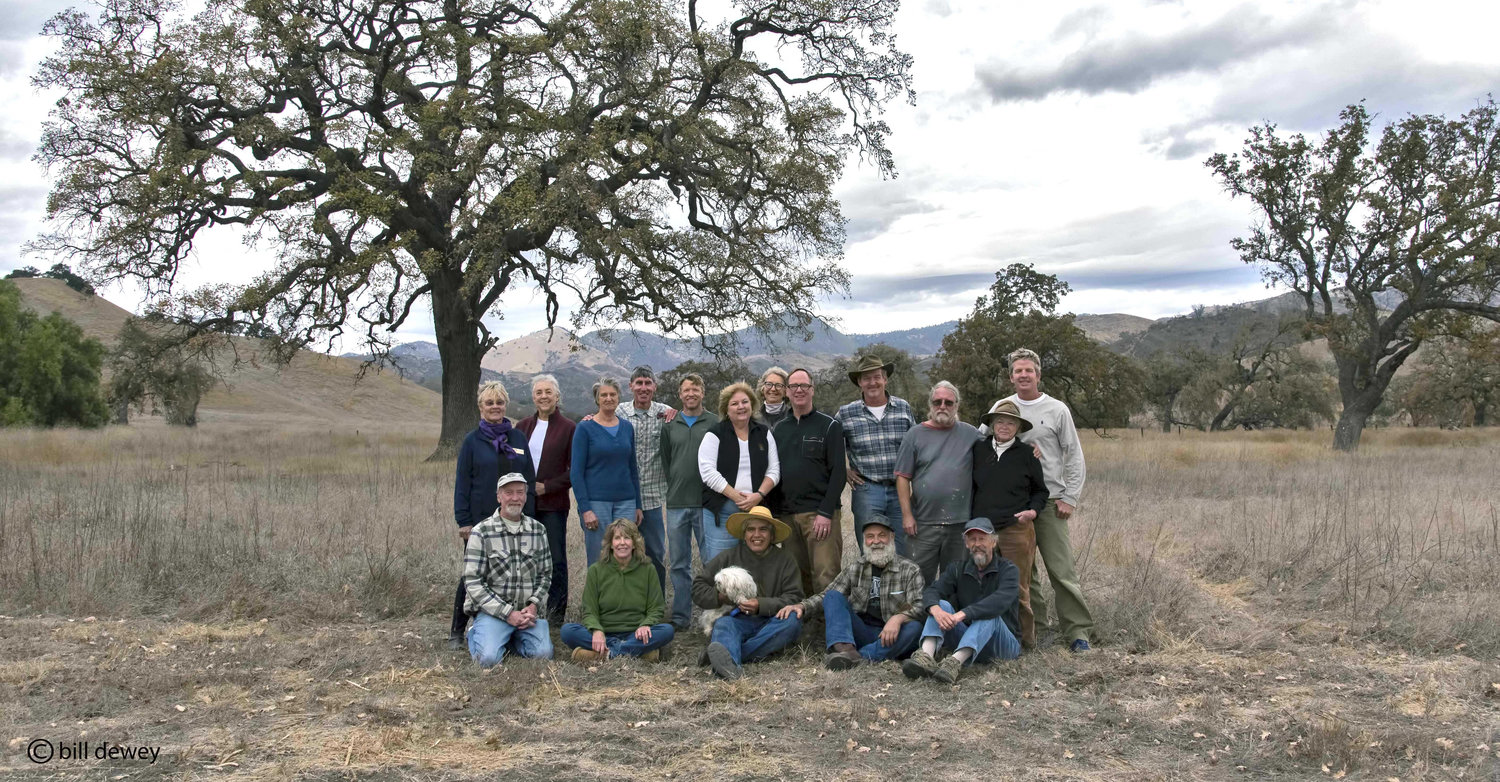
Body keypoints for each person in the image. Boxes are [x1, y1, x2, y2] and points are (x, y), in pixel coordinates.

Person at [1001, 347, 1095, 652]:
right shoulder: (1003, 407)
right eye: (1018, 371)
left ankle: (1078, 632)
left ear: (1038, 375)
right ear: (1011, 376)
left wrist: (1070, 496)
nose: (1024, 375)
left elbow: (1074, 454)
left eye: (1029, 370)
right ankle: (1036, 631)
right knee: (1025, 573)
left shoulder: (1057, 409)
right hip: (1015, 504)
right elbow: (985, 441)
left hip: (1051, 501)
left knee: (1061, 570)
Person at [451, 381, 537, 649]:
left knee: (514, 570)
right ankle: (458, 629)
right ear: (481, 407)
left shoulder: (518, 439)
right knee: (474, 573)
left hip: (515, 517)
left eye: (499, 402)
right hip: (479, 519)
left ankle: (510, 625)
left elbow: (529, 479)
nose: (495, 407)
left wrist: (530, 515)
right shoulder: (472, 441)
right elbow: (462, 483)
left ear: (505, 405)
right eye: (490, 403)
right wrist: (463, 521)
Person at [777, 514, 924, 669]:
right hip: (861, 631)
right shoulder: (856, 567)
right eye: (870, 537)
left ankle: (859, 657)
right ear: (864, 541)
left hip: (892, 635)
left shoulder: (910, 569)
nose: (876, 541)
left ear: (892, 537)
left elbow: (919, 607)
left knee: (914, 628)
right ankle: (845, 649)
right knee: (833, 596)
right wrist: (802, 606)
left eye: (882, 536)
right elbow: (826, 596)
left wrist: (898, 619)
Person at [902, 518, 1021, 685]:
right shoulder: (957, 569)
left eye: (982, 538)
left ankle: (954, 663)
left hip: (1003, 644)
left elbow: (999, 601)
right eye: (972, 539)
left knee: (989, 614)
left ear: (993, 542)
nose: (977, 544)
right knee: (941, 605)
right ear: (966, 544)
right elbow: (932, 591)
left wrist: (962, 614)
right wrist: (935, 609)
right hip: (969, 636)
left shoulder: (1009, 570)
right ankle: (925, 657)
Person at [691, 506, 804, 680]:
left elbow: (794, 597)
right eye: (751, 529)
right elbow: (698, 587)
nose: (756, 535)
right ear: (744, 534)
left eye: (763, 529)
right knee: (723, 624)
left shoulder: (786, 559)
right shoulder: (729, 556)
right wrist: (721, 597)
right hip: (738, 620)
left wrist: (761, 605)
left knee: (792, 623)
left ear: (772, 535)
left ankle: (726, 656)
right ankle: (731, 668)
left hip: (772, 620)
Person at [971, 399, 1048, 649]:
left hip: (1016, 528)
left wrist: (1032, 513)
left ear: (1018, 427)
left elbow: (1041, 491)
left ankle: (1025, 641)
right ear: (992, 425)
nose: (1005, 426)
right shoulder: (978, 450)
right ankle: (988, 639)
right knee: (983, 584)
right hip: (983, 531)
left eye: (1011, 422)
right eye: (1000, 421)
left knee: (1018, 586)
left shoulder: (1027, 454)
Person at [462, 473, 555, 666]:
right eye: (509, 493)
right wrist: (507, 613)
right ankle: (476, 632)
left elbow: (545, 574)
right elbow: (473, 581)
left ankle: (508, 639)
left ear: (526, 496)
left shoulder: (538, 530)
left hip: (526, 613)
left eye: (520, 492)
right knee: (487, 659)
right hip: (493, 613)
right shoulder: (482, 532)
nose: (515, 498)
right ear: (498, 497)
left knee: (543, 654)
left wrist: (533, 605)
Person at [770, 367, 847, 595]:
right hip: (787, 516)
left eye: (804, 386)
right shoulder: (778, 430)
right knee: (796, 576)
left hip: (819, 514)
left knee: (826, 575)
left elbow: (838, 474)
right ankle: (805, 626)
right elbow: (774, 473)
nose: (799, 390)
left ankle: (829, 626)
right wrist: (775, 514)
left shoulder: (830, 426)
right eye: (794, 386)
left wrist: (825, 512)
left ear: (812, 390)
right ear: (787, 392)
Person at [895, 380, 979, 583]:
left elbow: (999, 448)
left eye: (949, 402)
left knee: (955, 581)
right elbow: (902, 477)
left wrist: (1028, 446)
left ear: (957, 406)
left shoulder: (971, 434)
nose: (942, 406)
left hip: (960, 525)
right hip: (923, 524)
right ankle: (921, 616)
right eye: (937, 401)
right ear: (930, 405)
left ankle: (949, 615)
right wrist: (907, 516)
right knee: (918, 581)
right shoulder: (914, 435)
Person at [561, 519, 675, 661]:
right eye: (617, 538)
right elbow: (589, 610)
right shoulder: (596, 570)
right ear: (610, 544)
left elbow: (656, 607)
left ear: (634, 544)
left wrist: (646, 624)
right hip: (604, 632)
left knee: (667, 631)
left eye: (627, 538)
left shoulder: (648, 569)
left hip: (636, 633)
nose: (622, 543)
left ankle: (606, 654)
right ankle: (636, 652)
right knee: (567, 631)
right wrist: (597, 630)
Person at [836, 354, 917, 555]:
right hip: (867, 489)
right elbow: (829, 447)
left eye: (876, 377)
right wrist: (843, 469)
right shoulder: (846, 414)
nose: (872, 382)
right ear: (859, 383)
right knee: (871, 548)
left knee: (902, 547)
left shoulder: (903, 408)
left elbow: (917, 445)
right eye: (866, 378)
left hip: (900, 489)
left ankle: (900, 587)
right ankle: (872, 586)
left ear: (885, 379)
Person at [660, 373, 720, 630]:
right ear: (680, 394)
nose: (691, 394)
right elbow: (666, 461)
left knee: (711, 563)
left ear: (703, 392)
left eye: (695, 389)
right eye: (686, 390)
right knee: (679, 564)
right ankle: (681, 617)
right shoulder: (670, 425)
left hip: (707, 504)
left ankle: (713, 616)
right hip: (676, 503)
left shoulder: (715, 422)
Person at [515, 374, 575, 624]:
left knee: (555, 559)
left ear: (557, 396)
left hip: (553, 505)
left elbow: (574, 471)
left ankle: (556, 615)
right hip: (524, 505)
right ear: (533, 397)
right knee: (525, 559)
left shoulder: (569, 428)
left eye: (548, 392)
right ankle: (526, 610)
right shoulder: (521, 427)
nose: (543, 396)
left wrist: (547, 487)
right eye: (539, 392)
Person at [697, 382, 780, 563]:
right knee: (722, 566)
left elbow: (774, 470)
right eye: (734, 404)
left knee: (756, 565)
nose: (741, 407)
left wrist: (758, 495)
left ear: (752, 405)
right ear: (726, 409)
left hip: (757, 510)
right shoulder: (714, 434)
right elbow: (707, 472)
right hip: (723, 511)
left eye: (745, 402)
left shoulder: (764, 433)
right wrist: (737, 497)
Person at [571, 378, 642, 566]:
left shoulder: (627, 427)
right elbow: (576, 473)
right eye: (604, 395)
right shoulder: (584, 428)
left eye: (612, 394)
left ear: (619, 397)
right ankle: (598, 595)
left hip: (626, 502)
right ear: (597, 399)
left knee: (625, 556)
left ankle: (624, 595)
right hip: (597, 504)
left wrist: (638, 505)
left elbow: (632, 468)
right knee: (599, 558)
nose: (608, 398)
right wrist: (585, 509)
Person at [621, 366, 674, 592]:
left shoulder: (667, 413)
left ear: (655, 387)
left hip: (652, 498)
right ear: (631, 386)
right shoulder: (619, 412)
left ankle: (657, 602)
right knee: (623, 552)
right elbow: (599, 421)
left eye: (648, 383)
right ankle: (626, 604)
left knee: (655, 552)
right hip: (624, 498)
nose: (643, 388)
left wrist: (677, 413)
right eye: (639, 383)